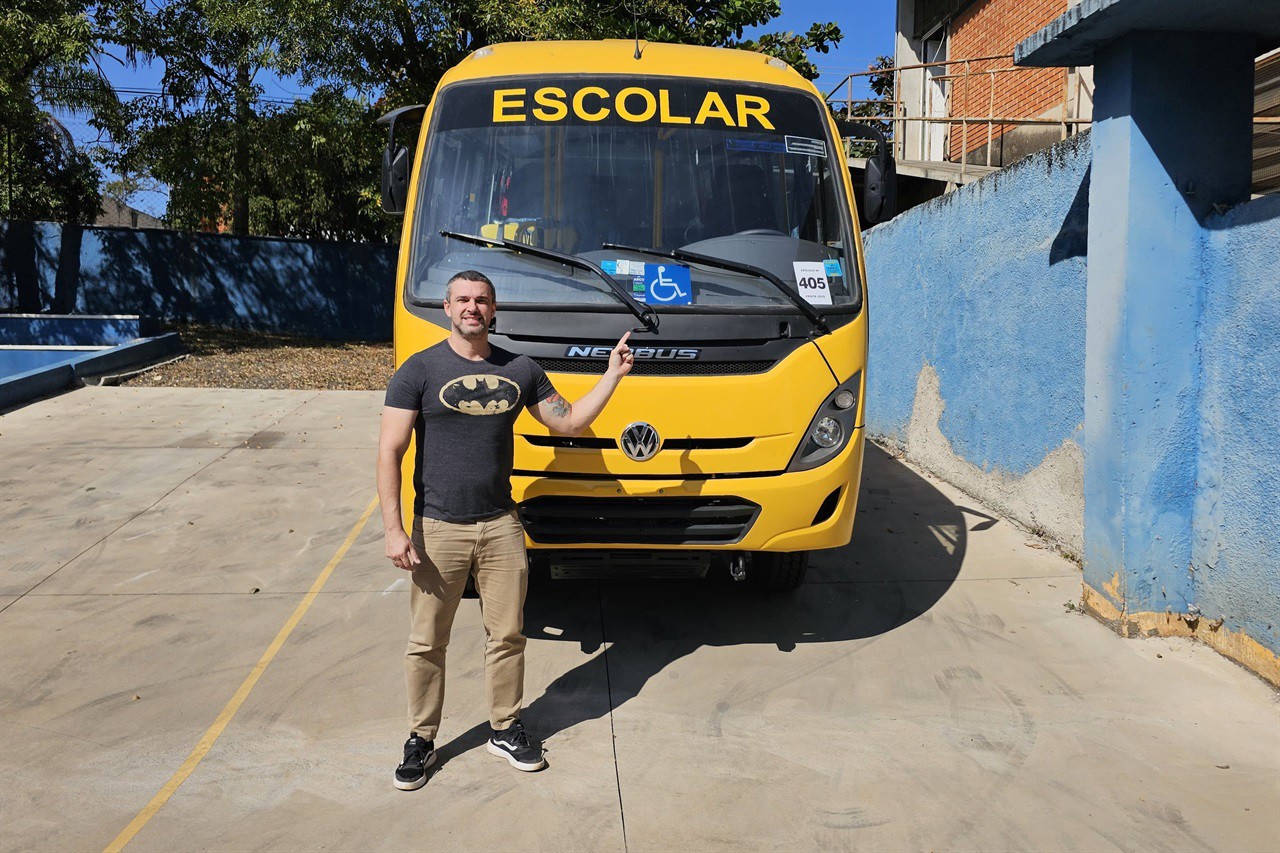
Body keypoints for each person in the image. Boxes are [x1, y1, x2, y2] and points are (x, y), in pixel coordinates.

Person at [377, 269, 633, 790]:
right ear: (447, 308)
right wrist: (393, 528)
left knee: (508, 635)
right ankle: (421, 739)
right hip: (437, 527)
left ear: (494, 312)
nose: (473, 308)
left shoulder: (520, 369)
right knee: (427, 640)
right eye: (463, 300)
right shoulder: (418, 370)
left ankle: (505, 727)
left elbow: (568, 422)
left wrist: (612, 376)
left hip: (500, 526)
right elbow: (390, 449)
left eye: (483, 301)